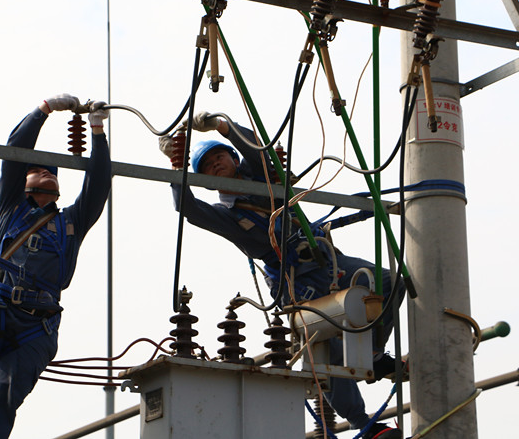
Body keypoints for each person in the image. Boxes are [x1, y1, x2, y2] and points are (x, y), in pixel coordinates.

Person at [159, 112, 404, 439]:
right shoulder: (227, 216)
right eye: (207, 166)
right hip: (294, 280)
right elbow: (186, 207)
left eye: (220, 157)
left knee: (389, 283)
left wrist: (224, 126)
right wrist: (176, 161)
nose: (216, 164)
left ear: (232, 159)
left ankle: (373, 351)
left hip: (325, 259)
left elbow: (259, 151)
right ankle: (367, 427)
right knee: (325, 351)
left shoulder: (266, 182)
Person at [0, 94, 111, 438]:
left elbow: (99, 183)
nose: (45, 171)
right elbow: (14, 150)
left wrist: (98, 131)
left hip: (36, 330)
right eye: (35, 168)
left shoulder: (72, 222)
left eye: (51, 170)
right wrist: (43, 111)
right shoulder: (11, 207)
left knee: (2, 397)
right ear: (23, 183)